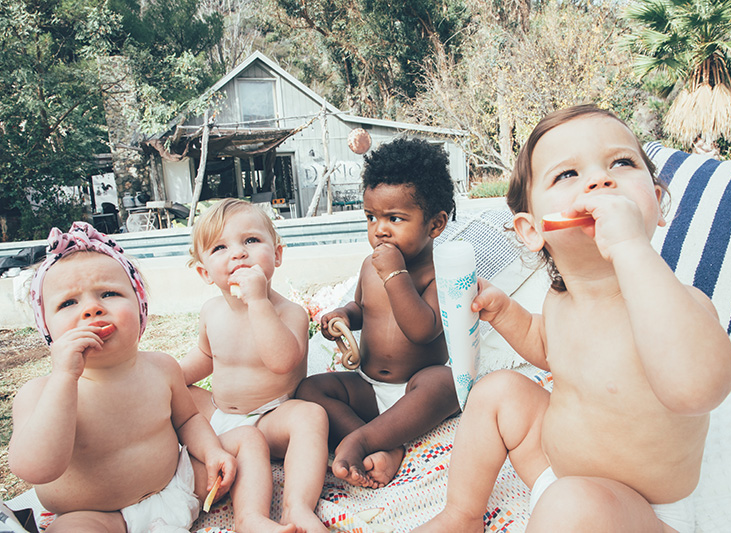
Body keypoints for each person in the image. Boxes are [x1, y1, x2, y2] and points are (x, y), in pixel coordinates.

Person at [414, 105, 731, 533]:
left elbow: (698, 388)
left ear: (657, 202)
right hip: (554, 469)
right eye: (567, 174)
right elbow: (548, 346)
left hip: (638, 510)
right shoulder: (559, 301)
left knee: (570, 506)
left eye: (621, 163)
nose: (601, 181)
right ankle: (461, 515)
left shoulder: (676, 305)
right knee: (496, 392)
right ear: (532, 231)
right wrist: (507, 313)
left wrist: (629, 247)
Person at [8, 222, 287, 533]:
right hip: (99, 517)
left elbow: (188, 421)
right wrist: (63, 378)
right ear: (47, 326)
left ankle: (251, 518)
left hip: (178, 487)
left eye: (109, 293)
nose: (91, 309)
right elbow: (35, 469)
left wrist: (212, 453)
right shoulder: (40, 393)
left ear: (140, 308)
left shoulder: (161, 368)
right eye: (68, 303)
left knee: (247, 438)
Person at [296, 138, 461, 489]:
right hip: (369, 387)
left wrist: (395, 276)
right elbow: (363, 309)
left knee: (446, 384)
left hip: (415, 389)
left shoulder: (437, 271)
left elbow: (423, 330)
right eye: (371, 217)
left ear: (435, 224)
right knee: (309, 390)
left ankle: (363, 441)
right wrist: (342, 315)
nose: (379, 229)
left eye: (394, 218)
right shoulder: (370, 266)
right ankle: (383, 443)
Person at [181, 198, 329, 533]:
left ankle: (297, 507)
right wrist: (167, 381)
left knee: (310, 416)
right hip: (217, 415)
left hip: (268, 419)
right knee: (173, 394)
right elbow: (204, 358)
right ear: (205, 272)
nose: (238, 253)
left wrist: (258, 301)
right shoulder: (211, 311)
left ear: (277, 254)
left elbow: (282, 362)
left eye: (251, 241)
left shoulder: (289, 312)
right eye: (220, 247)